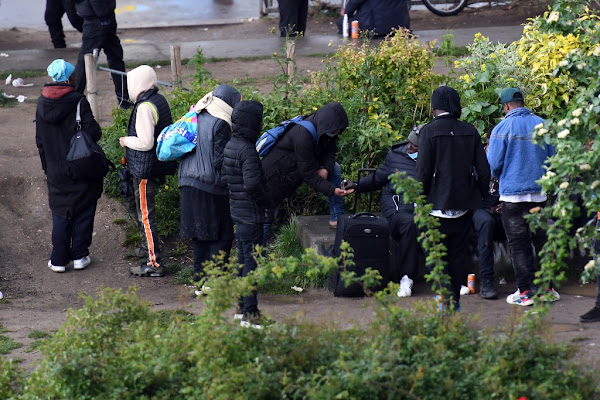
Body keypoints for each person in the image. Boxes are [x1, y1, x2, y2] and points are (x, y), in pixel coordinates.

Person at [416, 86, 491, 310]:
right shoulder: (470, 131)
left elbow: (423, 172)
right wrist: (481, 195)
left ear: (435, 106)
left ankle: (442, 301)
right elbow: (484, 171)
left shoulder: (428, 132)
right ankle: (455, 302)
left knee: (437, 256)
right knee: (459, 256)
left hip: (435, 206)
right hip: (463, 206)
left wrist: (420, 200)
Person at [487, 88, 558, 306]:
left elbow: (493, 165)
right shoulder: (543, 125)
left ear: (506, 106)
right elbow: (554, 158)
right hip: (539, 195)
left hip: (512, 198)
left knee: (519, 245)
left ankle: (525, 293)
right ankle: (547, 289)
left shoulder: (502, 128)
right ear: (522, 102)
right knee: (542, 242)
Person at [36, 59, 103, 273]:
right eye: (73, 75)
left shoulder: (40, 103)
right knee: (83, 208)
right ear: (68, 78)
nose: (75, 77)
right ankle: (80, 256)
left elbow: (40, 141)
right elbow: (94, 132)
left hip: (55, 169)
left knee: (60, 212)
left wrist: (47, 167)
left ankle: (58, 260)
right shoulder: (78, 101)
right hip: (80, 166)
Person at [345, 125, 424, 297]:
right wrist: (357, 185)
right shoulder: (396, 156)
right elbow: (378, 178)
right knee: (409, 223)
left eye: (415, 146)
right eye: (409, 143)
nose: (410, 148)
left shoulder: (434, 159)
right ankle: (406, 277)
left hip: (424, 209)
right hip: (398, 210)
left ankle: (455, 277)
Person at [178, 84, 241, 292]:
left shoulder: (195, 114)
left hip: (186, 181)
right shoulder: (221, 122)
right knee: (222, 234)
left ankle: (200, 281)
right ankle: (215, 282)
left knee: (200, 235)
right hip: (209, 185)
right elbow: (219, 160)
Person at [261, 102, 353, 242]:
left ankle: (336, 217)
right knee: (266, 215)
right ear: (328, 124)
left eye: (338, 131)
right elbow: (307, 173)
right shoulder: (302, 134)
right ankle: (256, 257)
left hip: (297, 169)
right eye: (335, 131)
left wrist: (326, 169)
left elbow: (330, 152)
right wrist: (332, 190)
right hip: (275, 176)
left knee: (335, 168)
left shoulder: (326, 129)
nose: (337, 133)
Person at [119, 65, 176, 277]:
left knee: (145, 214)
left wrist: (125, 140)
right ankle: (146, 247)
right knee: (142, 210)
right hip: (153, 165)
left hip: (144, 168)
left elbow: (144, 142)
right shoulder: (158, 99)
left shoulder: (144, 107)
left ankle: (154, 262)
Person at [222, 100, 272, 326]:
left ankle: (242, 309)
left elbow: (225, 178)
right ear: (254, 123)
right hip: (251, 215)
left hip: (238, 212)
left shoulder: (231, 144)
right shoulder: (247, 150)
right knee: (251, 263)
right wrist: (265, 202)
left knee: (242, 260)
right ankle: (251, 315)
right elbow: (252, 184)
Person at [74, 0, 130, 108]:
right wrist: (103, 15)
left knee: (114, 58)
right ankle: (73, 101)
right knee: (86, 62)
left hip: (96, 17)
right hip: (97, 18)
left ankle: (124, 101)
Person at [337, 0, 410, 37]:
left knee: (342, 23)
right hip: (401, 26)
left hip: (374, 27)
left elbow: (355, 2)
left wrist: (346, 12)